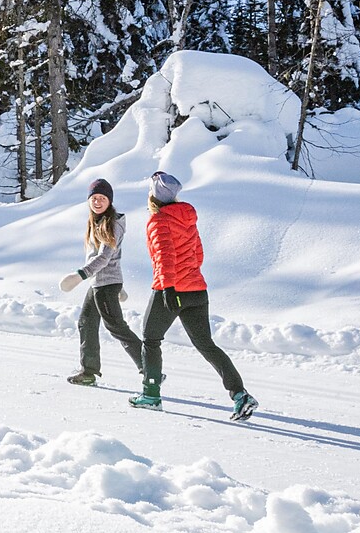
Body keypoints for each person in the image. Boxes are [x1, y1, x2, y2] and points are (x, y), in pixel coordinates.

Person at [131, 170, 259, 421]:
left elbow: (164, 256)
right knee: (206, 344)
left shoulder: (158, 221)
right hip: (197, 290)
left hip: (170, 289)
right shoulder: (188, 218)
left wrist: (168, 287)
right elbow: (198, 255)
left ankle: (151, 394)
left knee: (150, 338)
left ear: (154, 196)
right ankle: (240, 395)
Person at [58, 179, 142, 386]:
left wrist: (79, 275)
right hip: (100, 283)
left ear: (109, 201)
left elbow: (105, 258)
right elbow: (111, 258)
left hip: (105, 284)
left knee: (116, 327)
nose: (97, 202)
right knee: (86, 322)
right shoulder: (96, 221)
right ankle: (89, 371)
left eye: (102, 198)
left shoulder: (112, 223)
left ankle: (150, 366)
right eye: (94, 198)